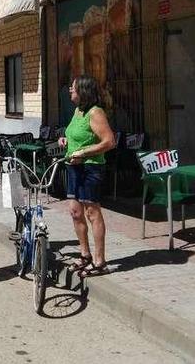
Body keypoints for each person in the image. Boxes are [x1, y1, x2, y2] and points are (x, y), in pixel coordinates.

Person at [58, 74, 116, 276]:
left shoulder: (95, 112)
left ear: (83, 91)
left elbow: (109, 142)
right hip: (74, 168)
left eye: (73, 88)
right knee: (75, 211)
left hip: (91, 168)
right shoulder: (78, 111)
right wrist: (65, 141)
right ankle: (85, 255)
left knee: (92, 213)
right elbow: (76, 135)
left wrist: (84, 152)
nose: (70, 91)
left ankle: (100, 262)